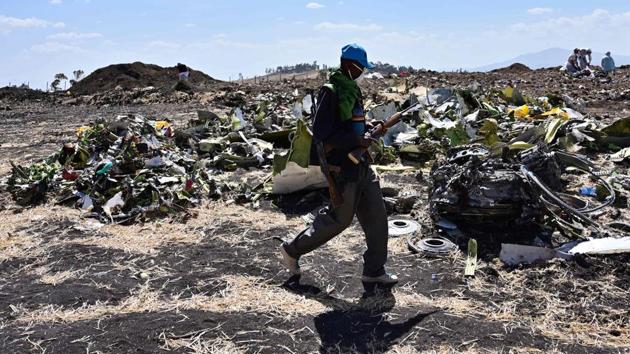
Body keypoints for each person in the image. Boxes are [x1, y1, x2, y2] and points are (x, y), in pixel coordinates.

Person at [280, 44, 398, 286]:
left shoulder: (352, 90)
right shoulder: (331, 91)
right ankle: (292, 250)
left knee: (376, 216)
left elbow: (350, 125)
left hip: (362, 163)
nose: (363, 72)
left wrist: (367, 128)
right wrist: (357, 139)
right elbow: (323, 134)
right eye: (361, 67)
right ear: (348, 65)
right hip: (343, 168)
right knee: (339, 220)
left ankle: (374, 271)